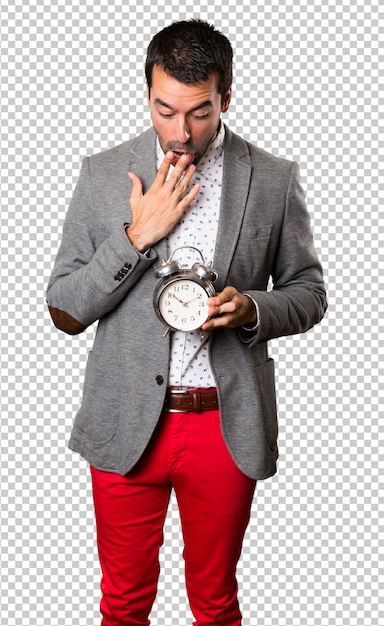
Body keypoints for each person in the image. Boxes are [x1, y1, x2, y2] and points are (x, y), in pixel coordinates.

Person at [47, 19, 327, 626]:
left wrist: (253, 308)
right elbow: (64, 310)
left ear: (227, 96)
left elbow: (309, 292)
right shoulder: (101, 174)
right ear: (147, 92)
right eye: (164, 110)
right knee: (122, 605)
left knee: (216, 605)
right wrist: (136, 236)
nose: (180, 132)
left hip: (223, 426)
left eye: (199, 113)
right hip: (125, 421)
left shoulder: (273, 178)